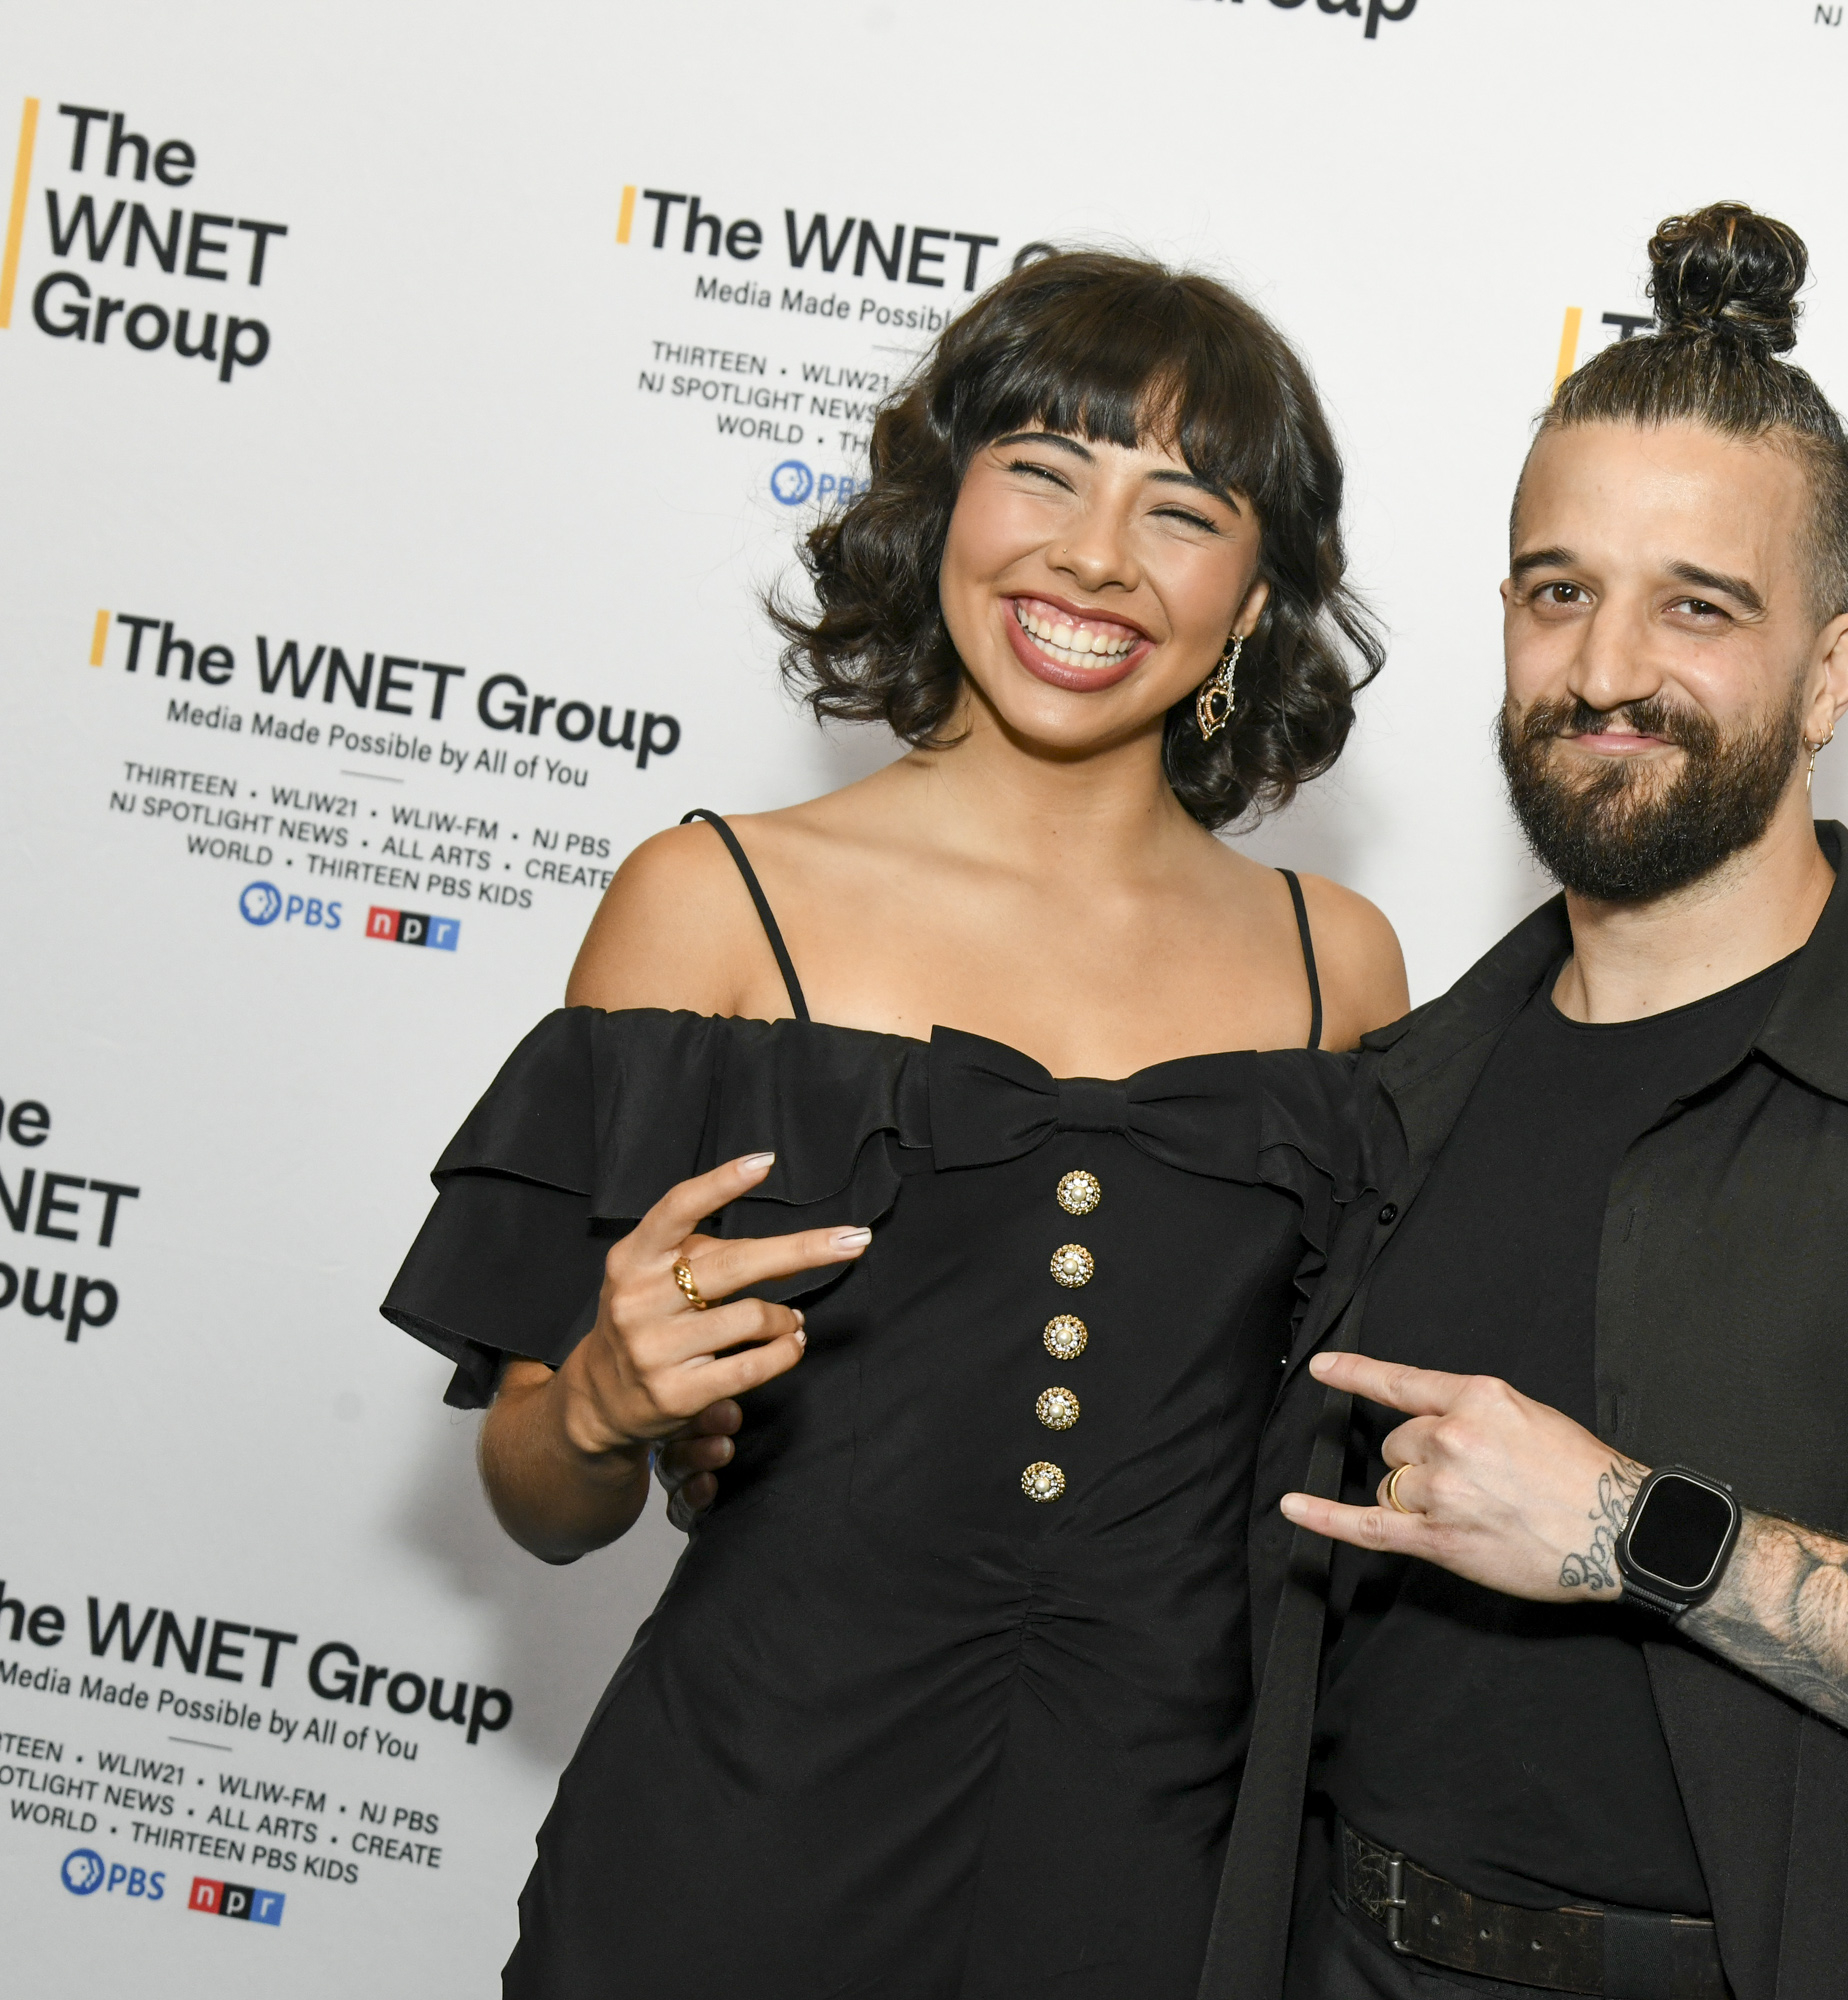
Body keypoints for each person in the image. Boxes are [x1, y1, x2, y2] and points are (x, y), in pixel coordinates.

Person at [1199, 205, 1848, 2000]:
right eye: (1561, 593)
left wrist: (1638, 1536)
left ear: (1832, 671)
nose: (1609, 670)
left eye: (1700, 605)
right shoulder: (1398, 1088)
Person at [380, 248, 1406, 1998]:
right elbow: (539, 1495)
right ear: (943, 508)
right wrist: (610, 1406)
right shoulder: (711, 902)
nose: (1094, 555)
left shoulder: (1345, 971)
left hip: (1160, 1869)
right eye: (1044, 471)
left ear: (1253, 599)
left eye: (1182, 508)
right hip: (738, 1840)